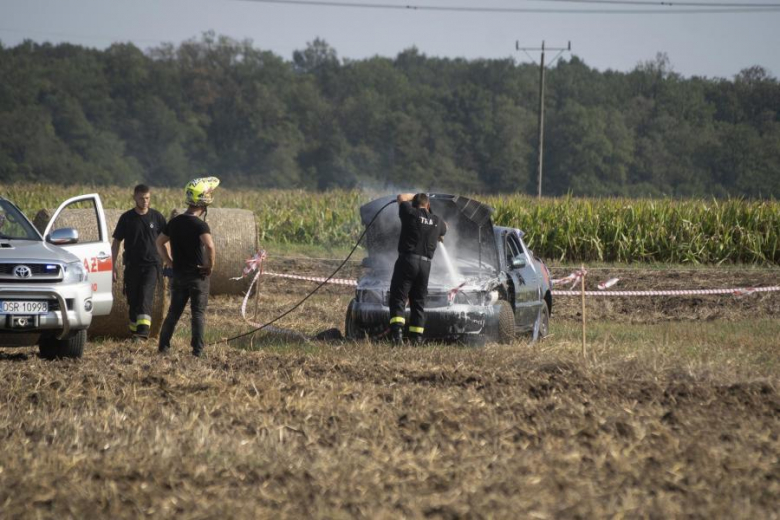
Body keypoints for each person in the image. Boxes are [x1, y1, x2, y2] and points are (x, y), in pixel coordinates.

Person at [156, 177, 219, 357]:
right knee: (197, 314)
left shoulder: (174, 222)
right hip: (197, 276)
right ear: (203, 201)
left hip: (178, 275)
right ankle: (198, 351)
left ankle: (163, 347)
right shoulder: (200, 224)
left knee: (173, 313)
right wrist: (209, 265)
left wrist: (169, 261)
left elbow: (159, 242)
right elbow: (210, 246)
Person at [388, 193, 447, 345]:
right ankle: (417, 339)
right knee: (419, 302)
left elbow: (401, 197)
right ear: (427, 205)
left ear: (414, 204)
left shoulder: (410, 213)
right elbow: (445, 227)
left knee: (398, 297)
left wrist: (414, 194)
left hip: (407, 261)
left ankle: (397, 336)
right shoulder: (437, 221)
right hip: (425, 266)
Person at [111, 184, 167, 340]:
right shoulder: (127, 218)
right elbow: (116, 243)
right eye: (142, 198)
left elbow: (166, 240)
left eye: (147, 198)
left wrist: (169, 261)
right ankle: (135, 331)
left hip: (152, 265)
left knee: (145, 295)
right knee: (133, 299)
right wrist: (111, 265)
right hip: (132, 265)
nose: (145, 201)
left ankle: (142, 334)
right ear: (134, 198)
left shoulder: (157, 217)